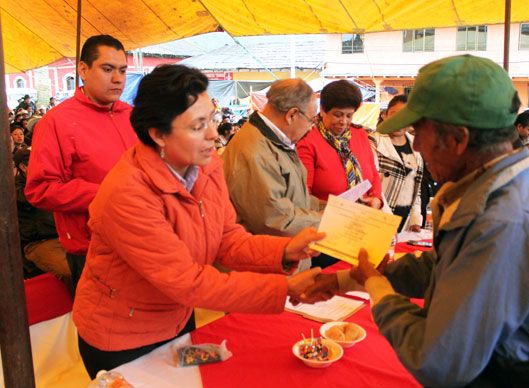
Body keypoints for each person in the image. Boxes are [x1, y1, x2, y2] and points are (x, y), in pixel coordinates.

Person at [307, 55, 529, 386]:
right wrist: (353, 279)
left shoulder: (506, 221)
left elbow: (438, 360)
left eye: (419, 133)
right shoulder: (502, 184)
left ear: (458, 139)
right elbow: (451, 265)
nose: (417, 146)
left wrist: (378, 288)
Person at [72, 64, 325, 377]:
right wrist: (283, 288)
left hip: (177, 318)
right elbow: (188, 282)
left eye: (213, 119)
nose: (213, 134)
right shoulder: (127, 194)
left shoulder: (206, 165)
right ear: (158, 134)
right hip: (122, 335)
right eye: (197, 125)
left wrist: (283, 251)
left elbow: (227, 238)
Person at [25, 35, 138, 293]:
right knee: (105, 330)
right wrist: (107, 194)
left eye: (122, 70)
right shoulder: (57, 122)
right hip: (92, 251)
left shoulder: (132, 117)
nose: (118, 78)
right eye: (107, 69)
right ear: (83, 70)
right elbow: (40, 189)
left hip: (141, 242)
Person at [222, 79, 322, 271]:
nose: (311, 128)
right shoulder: (254, 150)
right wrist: (329, 221)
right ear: (292, 114)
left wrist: (331, 206)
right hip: (265, 268)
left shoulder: (275, 141)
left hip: (284, 262)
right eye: (311, 120)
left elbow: (294, 197)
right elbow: (275, 221)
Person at [296, 80, 383, 209]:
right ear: (323, 110)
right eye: (337, 115)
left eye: (349, 115)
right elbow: (303, 193)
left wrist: (377, 198)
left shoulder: (360, 135)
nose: (343, 121)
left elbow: (373, 173)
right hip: (324, 218)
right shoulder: (308, 140)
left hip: (363, 216)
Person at [14, 148, 69, 282]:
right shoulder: (16, 189)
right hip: (38, 243)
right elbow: (29, 198)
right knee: (68, 270)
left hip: (62, 237)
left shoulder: (48, 181)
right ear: (23, 166)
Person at [369, 94, 423, 232]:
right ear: (384, 115)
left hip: (405, 224)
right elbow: (372, 185)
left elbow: (416, 187)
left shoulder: (416, 145)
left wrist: (416, 218)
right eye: (394, 114)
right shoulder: (374, 141)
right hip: (378, 218)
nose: (399, 120)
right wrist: (388, 221)